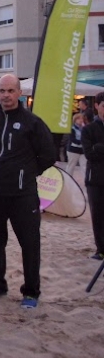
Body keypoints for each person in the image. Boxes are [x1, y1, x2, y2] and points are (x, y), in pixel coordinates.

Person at [0, 75, 56, 307]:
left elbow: (49, 155)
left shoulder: (32, 122)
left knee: (30, 244)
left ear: (19, 92)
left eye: (11, 91)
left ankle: (31, 291)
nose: (6, 95)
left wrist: (26, 172)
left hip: (23, 195)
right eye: (2, 91)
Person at [81, 92, 104, 261]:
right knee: (97, 215)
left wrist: (99, 147)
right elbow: (89, 153)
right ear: (97, 106)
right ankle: (101, 248)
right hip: (95, 179)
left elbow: (96, 150)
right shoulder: (89, 129)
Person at [66, 112, 86, 177]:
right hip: (73, 150)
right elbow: (72, 139)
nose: (81, 120)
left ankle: (86, 182)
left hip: (82, 150)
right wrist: (82, 142)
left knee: (84, 166)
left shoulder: (84, 128)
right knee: (71, 166)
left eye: (82, 119)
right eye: (79, 119)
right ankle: (68, 179)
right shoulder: (72, 128)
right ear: (75, 120)